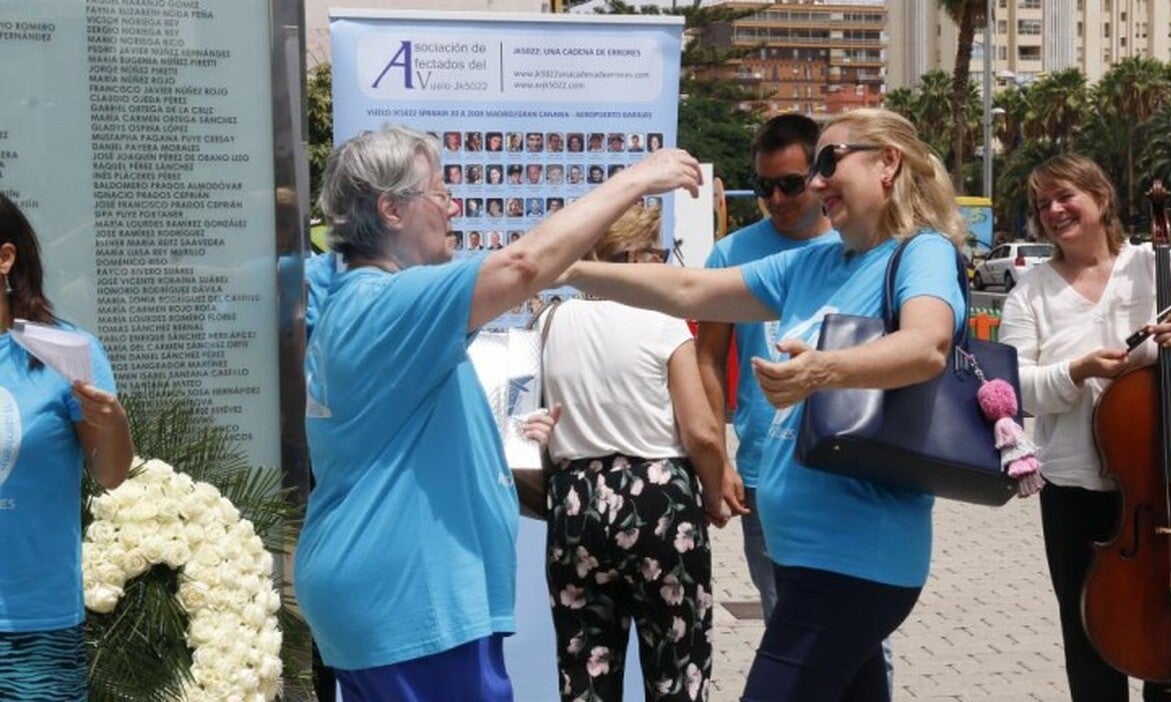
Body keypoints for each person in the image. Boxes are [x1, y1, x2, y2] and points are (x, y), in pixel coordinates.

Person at [563, 108, 968, 701]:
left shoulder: (920, 251)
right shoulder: (817, 260)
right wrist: (563, 267)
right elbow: (688, 289)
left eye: (830, 162)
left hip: (854, 560)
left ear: (888, 164)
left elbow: (927, 344)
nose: (817, 182)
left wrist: (822, 370)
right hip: (804, 557)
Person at [295, 125, 700, 700]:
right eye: (439, 192)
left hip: (392, 598)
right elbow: (523, 266)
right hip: (414, 601)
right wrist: (636, 179)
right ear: (390, 209)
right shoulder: (387, 303)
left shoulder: (358, 302)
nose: (454, 206)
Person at [997, 153, 1171, 702]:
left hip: (1167, 485)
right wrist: (1074, 372)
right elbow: (1015, 389)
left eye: (1065, 197)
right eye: (1042, 204)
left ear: (1101, 199)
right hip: (1074, 487)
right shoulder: (1029, 293)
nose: (1053, 211)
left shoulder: (1158, 265)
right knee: (1086, 629)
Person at [534, 204, 731, 702]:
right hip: (659, 505)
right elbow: (701, 432)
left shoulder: (550, 322)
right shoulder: (661, 324)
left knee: (584, 671)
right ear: (637, 255)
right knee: (677, 668)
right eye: (659, 253)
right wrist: (715, 491)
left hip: (577, 505)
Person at [695, 113, 835, 626]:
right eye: (764, 186)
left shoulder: (856, 246)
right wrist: (718, 463)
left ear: (820, 175)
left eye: (790, 185)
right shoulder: (733, 254)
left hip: (845, 465)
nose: (776, 199)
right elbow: (707, 357)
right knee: (786, 623)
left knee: (859, 631)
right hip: (763, 470)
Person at [0, 193, 133, 700]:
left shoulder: (63, 351)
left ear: (5, 258)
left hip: (36, 623)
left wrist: (115, 424)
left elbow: (110, 473)